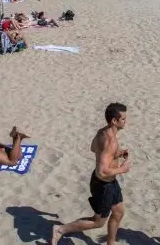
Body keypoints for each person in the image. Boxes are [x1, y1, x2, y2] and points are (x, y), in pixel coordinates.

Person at [52, 103, 130, 245]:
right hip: (103, 186)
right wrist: (122, 169)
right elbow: (103, 170)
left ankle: (110, 243)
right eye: (123, 119)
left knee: (118, 212)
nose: (126, 121)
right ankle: (60, 230)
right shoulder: (111, 141)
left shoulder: (102, 132)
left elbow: (94, 148)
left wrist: (116, 154)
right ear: (114, 121)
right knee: (98, 222)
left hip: (108, 183)